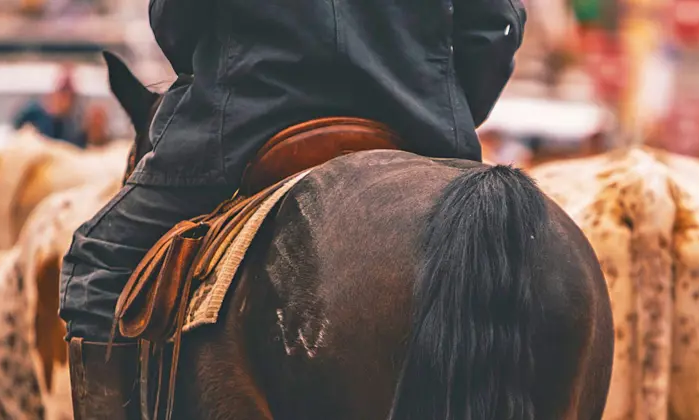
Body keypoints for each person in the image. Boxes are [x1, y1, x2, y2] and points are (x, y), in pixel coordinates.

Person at [57, 0, 525, 414]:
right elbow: (494, 25)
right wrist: (441, 107)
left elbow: (176, 21)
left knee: (98, 262)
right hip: (417, 127)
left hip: (247, 128)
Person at [14, 68, 86, 148]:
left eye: (69, 95)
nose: (64, 98)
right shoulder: (33, 113)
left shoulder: (73, 128)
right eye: (62, 91)